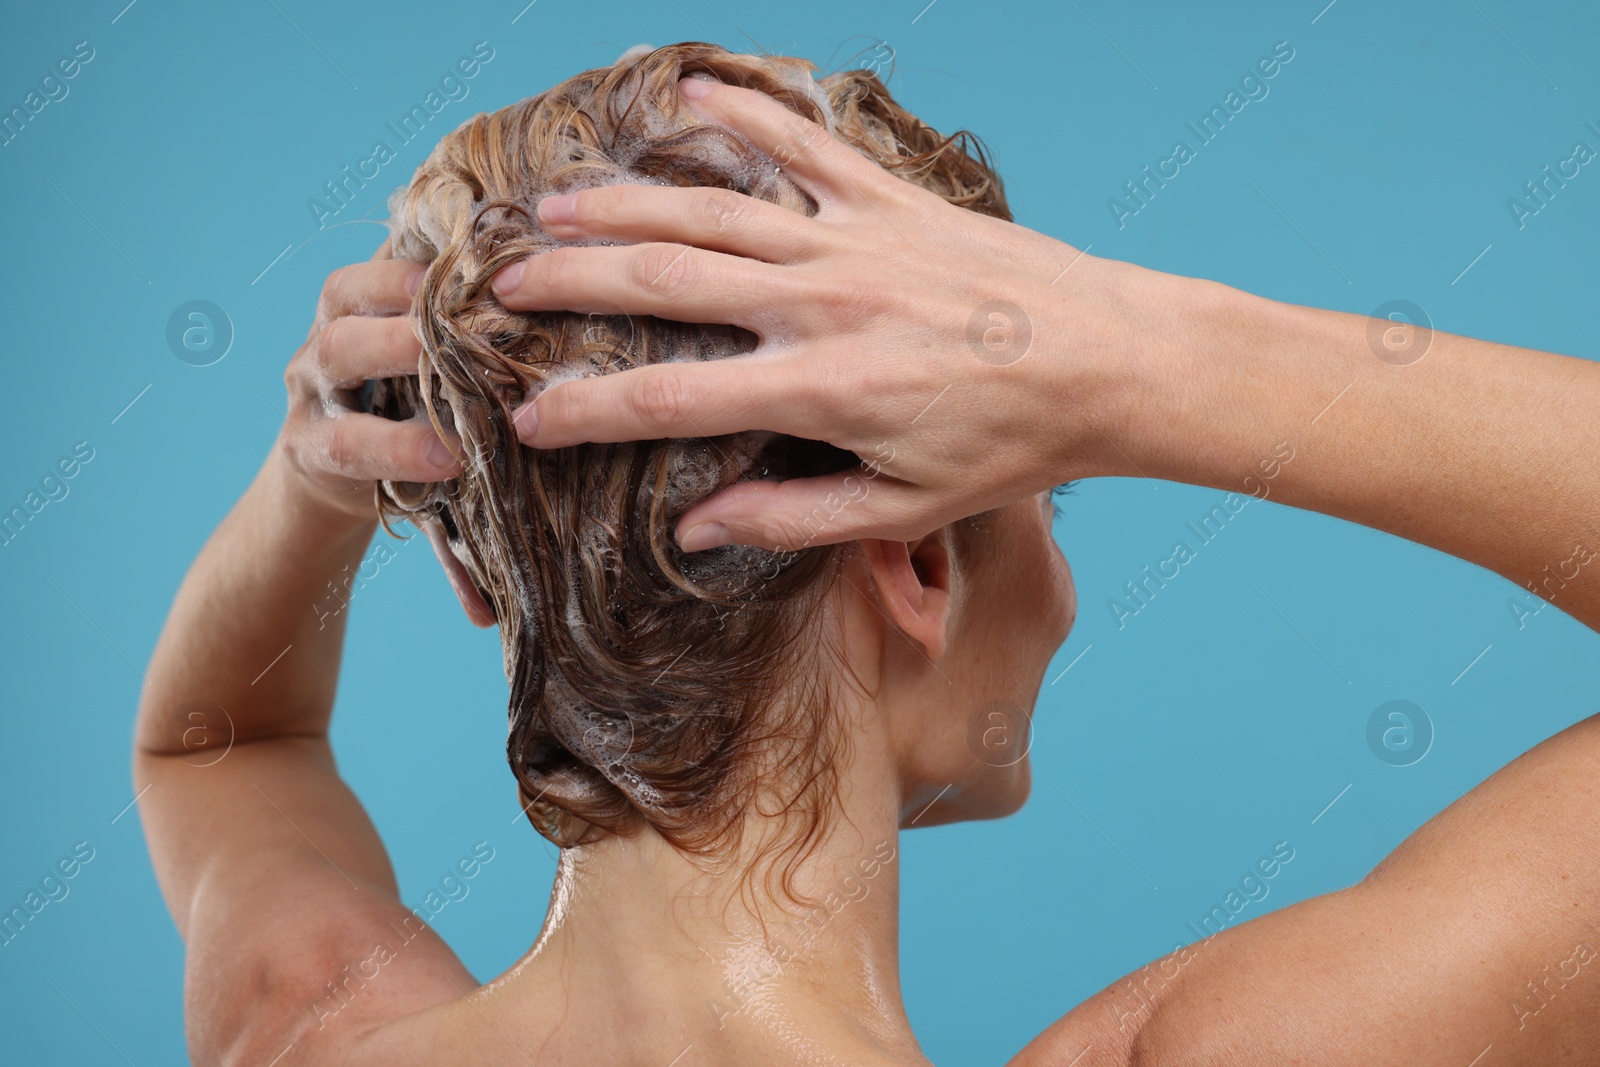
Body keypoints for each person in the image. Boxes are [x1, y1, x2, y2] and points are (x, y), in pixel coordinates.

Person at [133, 43, 1600, 1067]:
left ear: (472, 581)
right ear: (917, 564)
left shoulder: (304, 1028)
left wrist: (318, 480)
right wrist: (1138, 363)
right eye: (1053, 491)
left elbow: (216, 747)